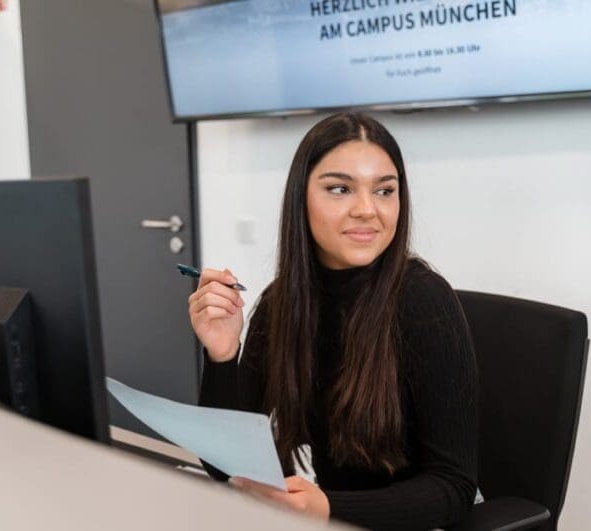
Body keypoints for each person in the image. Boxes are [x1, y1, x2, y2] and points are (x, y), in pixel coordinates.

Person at [189, 112, 477, 530]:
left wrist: (327, 508)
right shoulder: (281, 303)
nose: (367, 210)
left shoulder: (424, 300)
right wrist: (221, 354)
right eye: (340, 189)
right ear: (301, 198)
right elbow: (228, 468)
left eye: (384, 190)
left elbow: (454, 487)